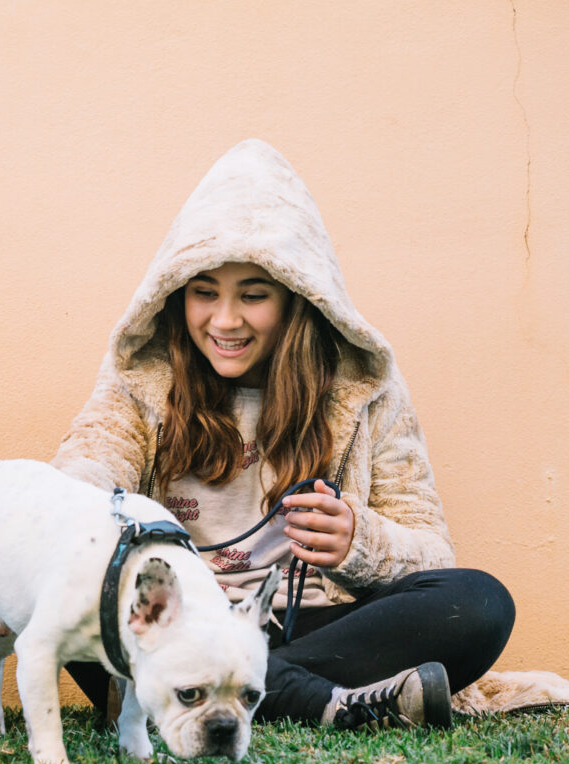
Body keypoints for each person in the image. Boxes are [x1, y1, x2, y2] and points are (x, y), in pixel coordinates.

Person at [52, 140, 515, 730]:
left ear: (297, 296)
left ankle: (215, 693)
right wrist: (84, 513)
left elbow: (430, 550)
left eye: (253, 294)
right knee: (68, 583)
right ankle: (313, 698)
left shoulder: (362, 384)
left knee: (479, 602)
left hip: (319, 623)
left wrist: (357, 541)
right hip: (177, 622)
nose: (224, 320)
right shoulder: (143, 376)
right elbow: (85, 470)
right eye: (204, 292)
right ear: (176, 293)